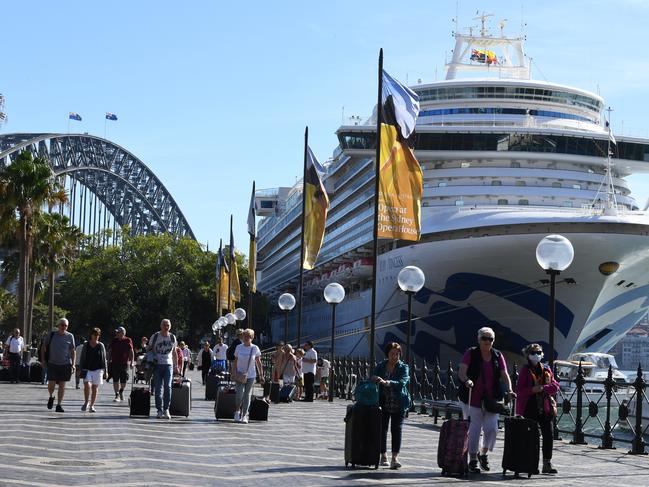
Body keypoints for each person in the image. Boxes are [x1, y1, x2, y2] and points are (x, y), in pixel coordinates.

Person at [458, 327, 516, 473]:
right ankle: (472, 459)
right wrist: (467, 381)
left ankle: (482, 453)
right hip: (472, 398)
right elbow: (462, 371)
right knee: (474, 429)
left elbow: (504, 374)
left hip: (492, 399)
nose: (487, 341)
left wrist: (509, 389)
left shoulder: (497, 355)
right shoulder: (471, 353)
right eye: (484, 338)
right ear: (479, 339)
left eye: (490, 339)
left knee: (492, 429)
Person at [515, 343, 560, 474]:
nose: (536, 355)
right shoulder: (525, 370)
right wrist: (532, 390)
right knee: (532, 437)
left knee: (548, 435)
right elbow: (520, 391)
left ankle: (547, 463)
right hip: (530, 407)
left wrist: (543, 388)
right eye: (533, 353)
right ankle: (531, 464)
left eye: (539, 352)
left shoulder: (546, 368)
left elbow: (555, 385)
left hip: (545, 408)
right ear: (528, 355)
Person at [372, 342, 410, 470]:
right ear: (387, 354)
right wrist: (375, 378)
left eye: (397, 354)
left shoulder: (403, 367)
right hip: (383, 401)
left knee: (397, 429)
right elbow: (372, 376)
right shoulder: (381, 366)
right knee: (382, 428)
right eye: (392, 354)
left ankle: (395, 458)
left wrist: (387, 382)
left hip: (399, 401)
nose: (395, 356)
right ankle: (383, 455)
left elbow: (402, 382)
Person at [41, 318, 76, 413]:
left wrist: (73, 364)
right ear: (58, 325)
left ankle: (59, 405)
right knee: (51, 385)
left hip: (65, 364)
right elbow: (44, 346)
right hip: (52, 363)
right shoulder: (52, 335)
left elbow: (73, 351)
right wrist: (43, 360)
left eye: (66, 326)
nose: (63, 327)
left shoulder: (70, 336)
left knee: (62, 385)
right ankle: (51, 396)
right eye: (62, 325)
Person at [147, 319, 178, 419]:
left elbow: (174, 352)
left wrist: (177, 366)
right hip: (157, 365)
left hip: (168, 365)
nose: (166, 327)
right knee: (158, 388)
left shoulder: (172, 337)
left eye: (168, 325)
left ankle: (166, 409)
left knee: (168, 387)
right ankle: (159, 410)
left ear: (170, 326)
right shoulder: (155, 336)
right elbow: (148, 348)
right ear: (161, 326)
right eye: (164, 325)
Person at [233, 329, 264, 424]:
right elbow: (235, 361)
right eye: (245, 336)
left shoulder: (255, 348)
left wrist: (261, 375)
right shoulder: (239, 347)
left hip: (251, 374)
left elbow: (258, 362)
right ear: (243, 337)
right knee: (239, 394)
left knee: (247, 395)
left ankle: (244, 415)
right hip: (239, 374)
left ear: (252, 338)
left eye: (249, 337)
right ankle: (237, 411)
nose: (247, 338)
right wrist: (233, 372)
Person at [80, 328, 108, 413]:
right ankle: (86, 402)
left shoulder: (101, 345)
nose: (96, 336)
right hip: (87, 368)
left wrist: (106, 371)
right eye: (95, 334)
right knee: (87, 385)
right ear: (91, 335)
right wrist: (79, 368)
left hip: (98, 369)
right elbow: (82, 357)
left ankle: (92, 405)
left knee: (95, 387)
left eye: (98, 335)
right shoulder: (86, 344)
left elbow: (104, 358)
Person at [108, 326, 134, 403]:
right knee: (115, 379)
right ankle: (116, 395)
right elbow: (110, 351)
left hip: (124, 363)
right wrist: (108, 360)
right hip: (115, 363)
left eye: (118, 332)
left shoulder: (128, 340)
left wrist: (132, 362)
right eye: (116, 332)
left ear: (123, 333)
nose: (116, 333)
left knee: (124, 380)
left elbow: (131, 351)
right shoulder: (114, 340)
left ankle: (121, 391)